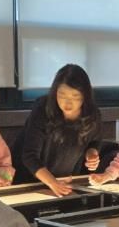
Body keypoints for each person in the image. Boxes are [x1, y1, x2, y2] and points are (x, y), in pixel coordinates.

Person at [12, 64, 102, 196]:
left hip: (65, 181)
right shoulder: (43, 109)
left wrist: (92, 153)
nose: (68, 103)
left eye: (75, 97)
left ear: (85, 96)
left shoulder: (92, 114)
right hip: (30, 182)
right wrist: (52, 183)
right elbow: (29, 156)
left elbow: (95, 141)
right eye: (62, 95)